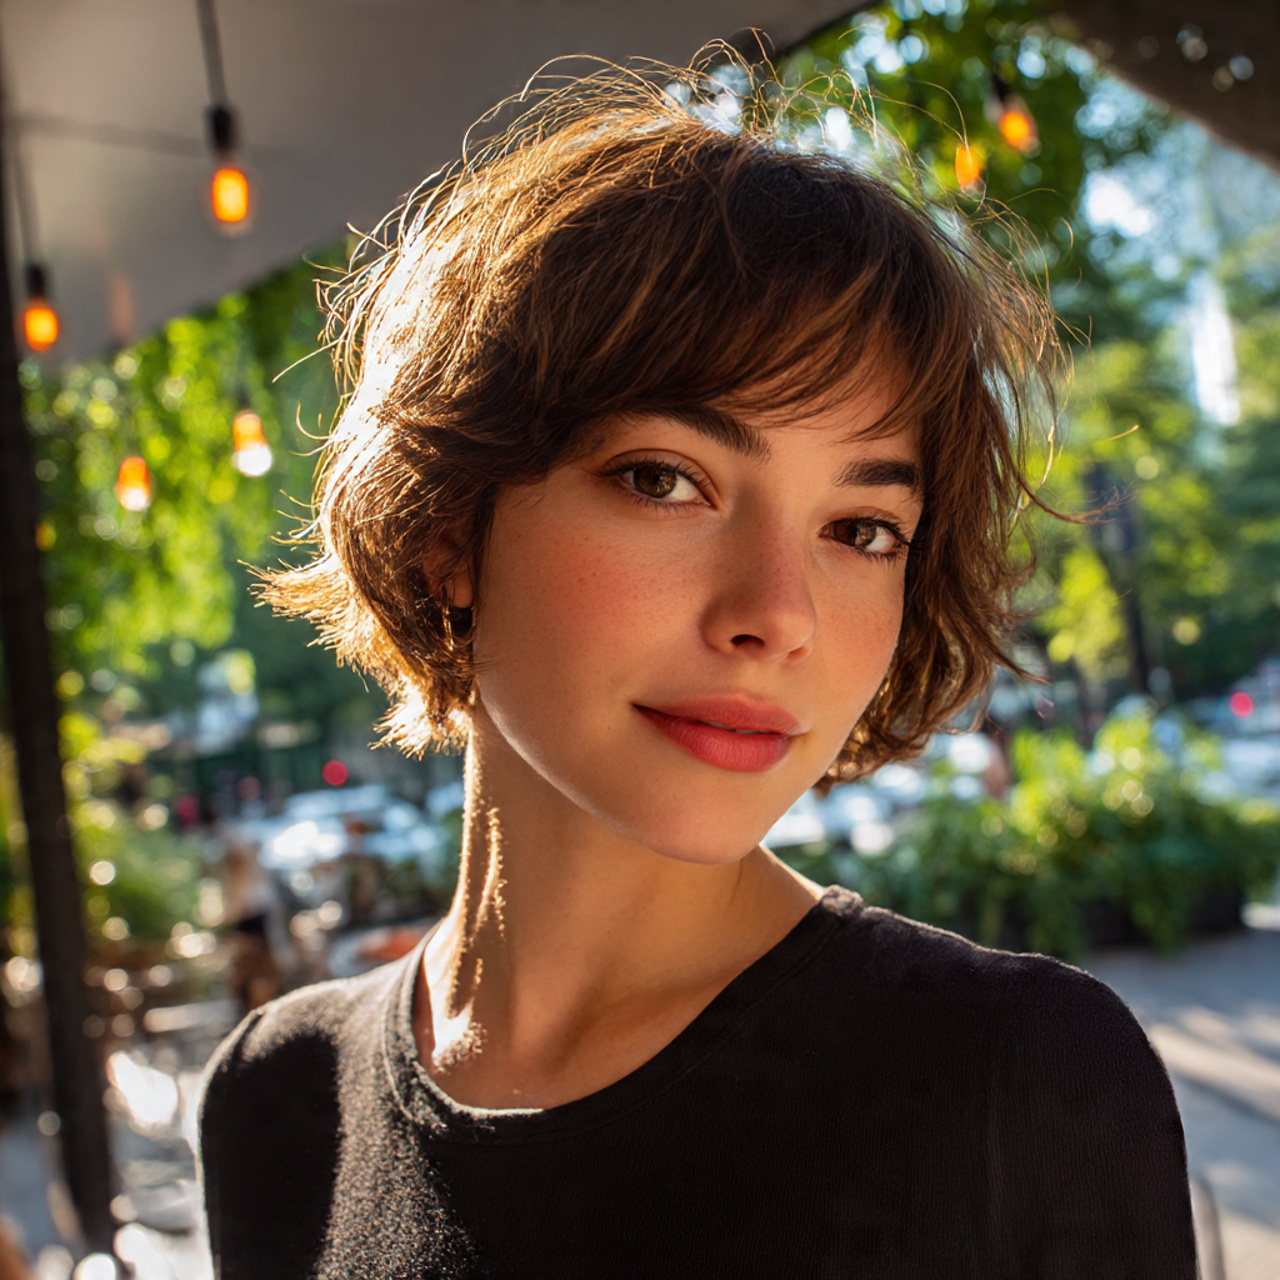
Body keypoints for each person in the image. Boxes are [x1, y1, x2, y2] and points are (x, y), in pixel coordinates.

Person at [199, 57, 1197, 1278]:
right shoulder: (272, 1100)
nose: (774, 614)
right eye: (665, 479)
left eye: (859, 528)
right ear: (448, 524)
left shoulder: (1014, 1082)